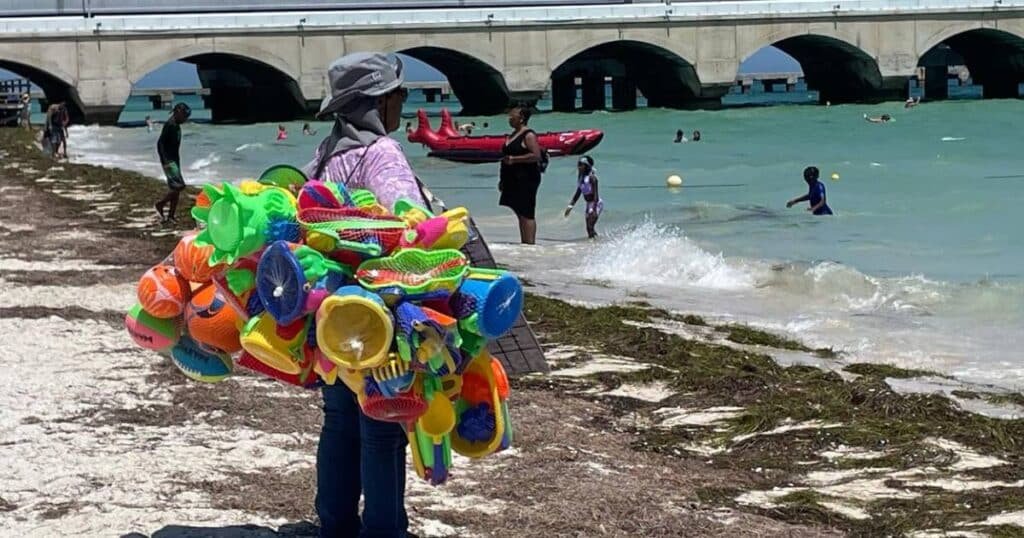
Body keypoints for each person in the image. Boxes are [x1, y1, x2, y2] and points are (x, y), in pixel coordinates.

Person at [303, 52, 423, 538]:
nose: (403, 103)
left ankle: (334, 522)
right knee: (381, 426)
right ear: (379, 102)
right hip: (378, 312)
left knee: (338, 418)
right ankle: (384, 529)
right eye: (400, 94)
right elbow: (408, 221)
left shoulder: (326, 154)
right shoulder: (381, 153)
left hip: (328, 310)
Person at [499, 105, 542, 244]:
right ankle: (524, 241)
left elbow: (536, 156)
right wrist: (502, 180)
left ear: (522, 118)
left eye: (512, 116)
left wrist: (514, 160)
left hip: (526, 178)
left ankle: (529, 243)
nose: (509, 118)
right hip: (511, 178)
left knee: (527, 212)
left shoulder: (528, 134)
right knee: (518, 210)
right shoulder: (512, 135)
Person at [155, 103, 191, 224]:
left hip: (175, 159)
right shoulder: (170, 125)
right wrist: (165, 161)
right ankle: (160, 204)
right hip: (169, 161)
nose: (186, 119)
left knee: (175, 189)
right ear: (177, 113)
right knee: (180, 186)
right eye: (184, 116)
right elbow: (160, 144)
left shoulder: (176, 125)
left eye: (187, 117)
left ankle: (171, 216)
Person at [564, 155, 603, 239]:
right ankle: (595, 243)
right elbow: (577, 194)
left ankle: (595, 243)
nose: (578, 167)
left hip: (595, 203)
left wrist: (594, 209)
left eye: (581, 165)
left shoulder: (592, 178)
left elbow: (596, 195)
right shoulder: (581, 179)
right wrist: (570, 206)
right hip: (588, 204)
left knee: (590, 226)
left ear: (586, 166)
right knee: (589, 228)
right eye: (578, 164)